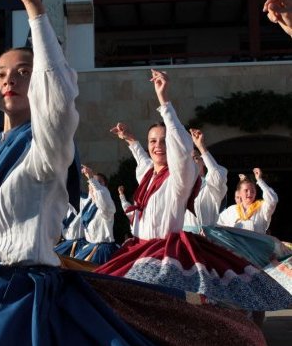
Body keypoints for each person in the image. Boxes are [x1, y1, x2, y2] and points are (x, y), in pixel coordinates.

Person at [0, 0, 269, 346]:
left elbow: (57, 102)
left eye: (23, 72)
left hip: (25, 293)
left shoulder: (45, 150)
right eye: (2, 74)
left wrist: (35, 9)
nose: (10, 80)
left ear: (38, 81)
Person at [95, 69, 292, 312]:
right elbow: (143, 161)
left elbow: (181, 147)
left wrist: (164, 102)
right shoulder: (147, 175)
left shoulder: (179, 176)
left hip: (165, 253)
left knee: (157, 305)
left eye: (163, 141)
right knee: (105, 295)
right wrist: (132, 141)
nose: (158, 146)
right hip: (139, 248)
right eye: (153, 141)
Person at [183, 128, 228, 233]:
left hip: (207, 240)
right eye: (188, 160)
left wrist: (201, 147)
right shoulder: (180, 186)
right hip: (185, 240)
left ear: (203, 162)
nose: (192, 162)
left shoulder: (210, 185)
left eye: (195, 158)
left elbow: (217, 175)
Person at [74, 166, 118, 264]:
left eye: (98, 182)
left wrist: (91, 178)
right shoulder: (87, 203)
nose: (93, 186)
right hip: (89, 247)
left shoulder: (106, 206)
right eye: (91, 184)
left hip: (102, 251)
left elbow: (102, 195)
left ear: (104, 186)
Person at [217, 169, 278, 234]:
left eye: (252, 191)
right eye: (246, 190)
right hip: (236, 244)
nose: (250, 193)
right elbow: (217, 224)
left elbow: (272, 200)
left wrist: (260, 180)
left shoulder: (262, 208)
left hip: (255, 243)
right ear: (239, 193)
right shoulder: (231, 210)